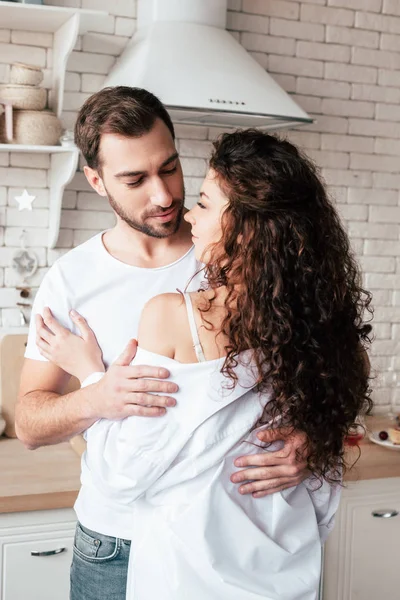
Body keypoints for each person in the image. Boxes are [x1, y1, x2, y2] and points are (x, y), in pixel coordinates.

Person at [31, 129, 372, 599]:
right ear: (95, 179)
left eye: (172, 170)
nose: (175, 200)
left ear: (247, 228)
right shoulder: (311, 304)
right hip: (268, 564)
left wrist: (91, 372)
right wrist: (95, 395)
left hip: (189, 564)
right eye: (135, 178)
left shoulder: (178, 311)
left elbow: (123, 470)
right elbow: (29, 423)